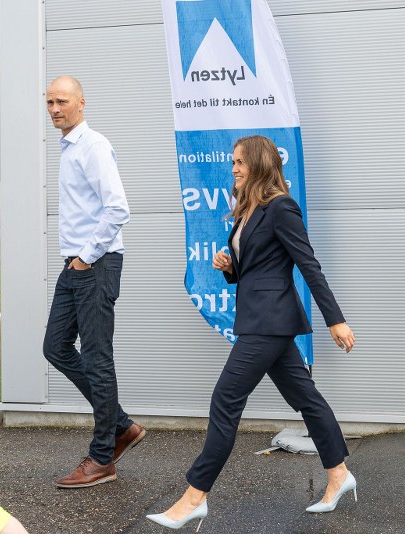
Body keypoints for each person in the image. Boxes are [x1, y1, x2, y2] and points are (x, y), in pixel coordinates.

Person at [146, 136, 358, 530]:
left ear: (259, 164)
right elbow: (258, 268)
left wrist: (335, 319)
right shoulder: (249, 209)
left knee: (225, 399)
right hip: (262, 318)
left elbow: (308, 265)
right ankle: (338, 472)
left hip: (269, 321)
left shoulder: (281, 207)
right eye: (233, 162)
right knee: (306, 398)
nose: (234, 169)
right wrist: (230, 267)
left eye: (240, 162)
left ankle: (194, 497)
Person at [43, 76, 145, 489]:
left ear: (81, 103)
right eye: (49, 102)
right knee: (55, 346)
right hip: (76, 264)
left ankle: (103, 457)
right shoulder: (69, 148)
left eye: (62, 101)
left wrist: (86, 257)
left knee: (97, 358)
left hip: (95, 263)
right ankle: (121, 425)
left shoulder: (93, 146)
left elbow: (118, 208)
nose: (55, 109)